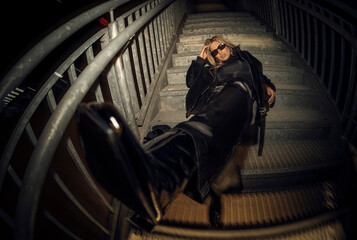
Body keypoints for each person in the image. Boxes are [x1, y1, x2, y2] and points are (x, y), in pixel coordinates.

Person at [77, 35, 276, 229]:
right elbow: (191, 81)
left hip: (240, 97)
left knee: (219, 155)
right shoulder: (212, 69)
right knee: (217, 160)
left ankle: (165, 179)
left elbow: (261, 77)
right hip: (217, 105)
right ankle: (160, 186)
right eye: (214, 51)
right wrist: (200, 60)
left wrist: (269, 87)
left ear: (229, 45)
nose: (219, 52)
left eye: (221, 47)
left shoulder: (245, 58)